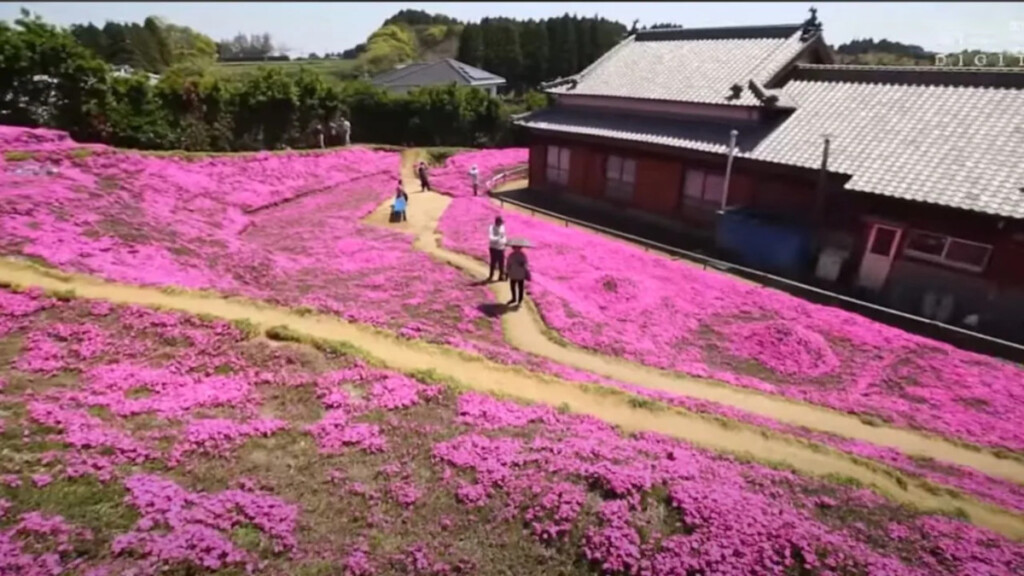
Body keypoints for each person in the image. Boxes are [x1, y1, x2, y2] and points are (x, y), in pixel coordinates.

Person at [487, 216, 507, 282]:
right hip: (494, 248)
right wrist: (498, 237)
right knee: (493, 262)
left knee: (501, 262)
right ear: (497, 222)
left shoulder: (502, 227)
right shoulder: (492, 228)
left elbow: (504, 236)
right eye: (501, 222)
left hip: (501, 248)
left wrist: (505, 242)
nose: (502, 224)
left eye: (502, 222)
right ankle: (491, 275)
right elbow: (491, 238)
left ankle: (501, 276)